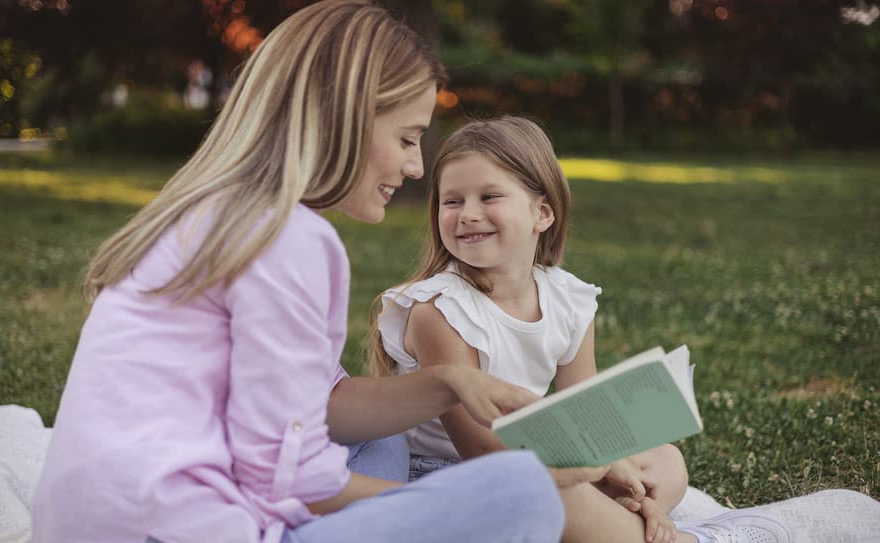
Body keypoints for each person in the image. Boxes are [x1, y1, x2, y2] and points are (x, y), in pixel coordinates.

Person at [31, 3, 595, 542]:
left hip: (96, 522)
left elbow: (323, 409)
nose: (415, 165)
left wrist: (450, 383)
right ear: (343, 117)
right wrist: (457, 500)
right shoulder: (287, 240)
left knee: (386, 442)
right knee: (522, 495)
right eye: (406, 137)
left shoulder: (219, 216)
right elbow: (292, 479)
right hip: (181, 529)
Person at [369, 116, 793, 543]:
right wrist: (596, 472)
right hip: (451, 472)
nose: (468, 215)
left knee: (666, 461)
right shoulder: (439, 312)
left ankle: (629, 518)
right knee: (557, 494)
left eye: (489, 196)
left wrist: (611, 466)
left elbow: (586, 413)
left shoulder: (566, 298)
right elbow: (480, 450)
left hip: (535, 456)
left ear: (543, 212)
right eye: (452, 201)